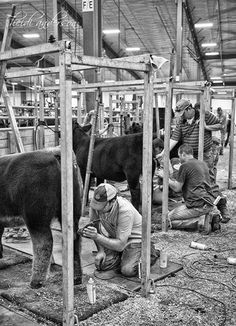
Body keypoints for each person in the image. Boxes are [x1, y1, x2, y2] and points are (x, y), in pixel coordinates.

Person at [81, 183, 159, 277]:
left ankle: (150, 252)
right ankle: (124, 256)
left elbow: (120, 246)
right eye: (96, 204)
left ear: (113, 201)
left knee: (127, 270)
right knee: (103, 265)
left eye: (102, 206)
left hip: (136, 239)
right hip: (118, 237)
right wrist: (100, 251)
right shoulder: (96, 204)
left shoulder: (125, 211)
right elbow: (95, 226)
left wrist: (97, 237)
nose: (99, 209)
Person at [156, 144, 230, 232]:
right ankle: (207, 218)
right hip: (207, 202)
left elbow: (177, 188)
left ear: (183, 154)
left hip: (197, 205)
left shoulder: (185, 166)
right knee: (173, 216)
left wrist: (164, 177)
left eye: (179, 156)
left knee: (166, 219)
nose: (179, 159)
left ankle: (201, 222)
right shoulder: (202, 164)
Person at [157, 98, 222, 184]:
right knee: (192, 177)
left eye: (183, 113)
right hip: (190, 155)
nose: (181, 116)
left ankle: (212, 195)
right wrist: (163, 153)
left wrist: (206, 127)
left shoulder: (204, 115)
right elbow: (174, 139)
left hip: (205, 153)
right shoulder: (181, 121)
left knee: (208, 176)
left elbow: (220, 125)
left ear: (189, 109)